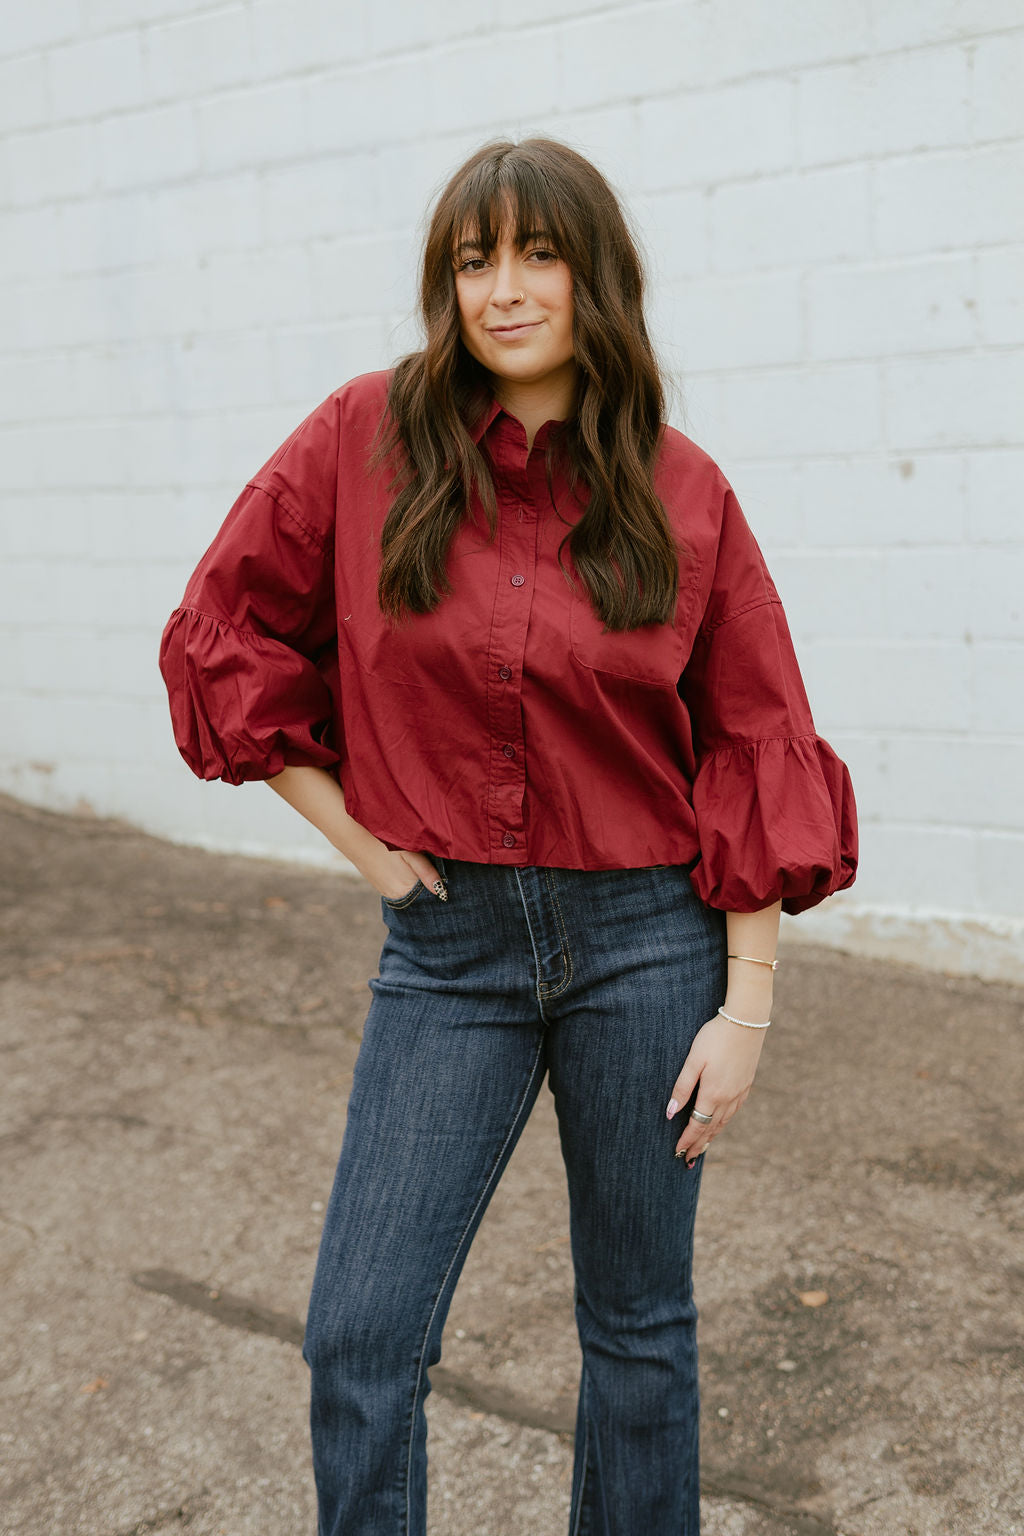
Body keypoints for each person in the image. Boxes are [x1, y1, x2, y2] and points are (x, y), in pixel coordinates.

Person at [159, 136, 857, 1536]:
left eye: (538, 254)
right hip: (448, 946)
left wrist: (750, 1006)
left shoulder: (687, 488)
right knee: (360, 1338)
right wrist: (361, 843)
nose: (505, 288)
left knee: (639, 1335)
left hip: (650, 947)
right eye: (476, 260)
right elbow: (218, 637)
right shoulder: (366, 438)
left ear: (594, 274)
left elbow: (752, 736)